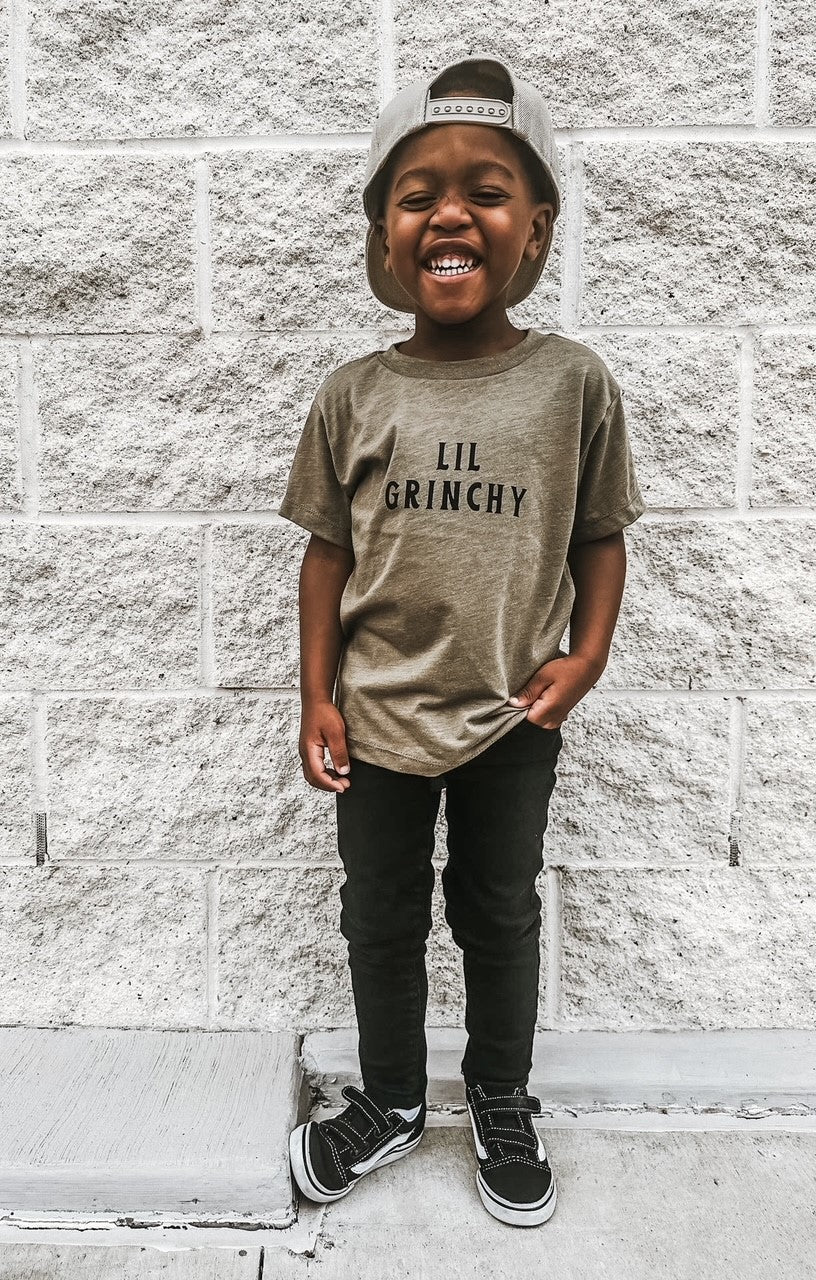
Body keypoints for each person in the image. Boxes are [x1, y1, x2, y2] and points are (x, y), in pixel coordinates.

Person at [279, 56, 645, 1227]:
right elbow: (326, 553)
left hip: (510, 711)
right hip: (379, 715)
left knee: (498, 910)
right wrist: (317, 693)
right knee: (380, 913)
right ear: (384, 235)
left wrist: (585, 658)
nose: (449, 214)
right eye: (417, 194)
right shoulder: (352, 393)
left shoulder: (572, 384)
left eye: (485, 191)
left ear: (535, 229)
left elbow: (600, 534)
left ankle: (499, 1097)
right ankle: (391, 1098)